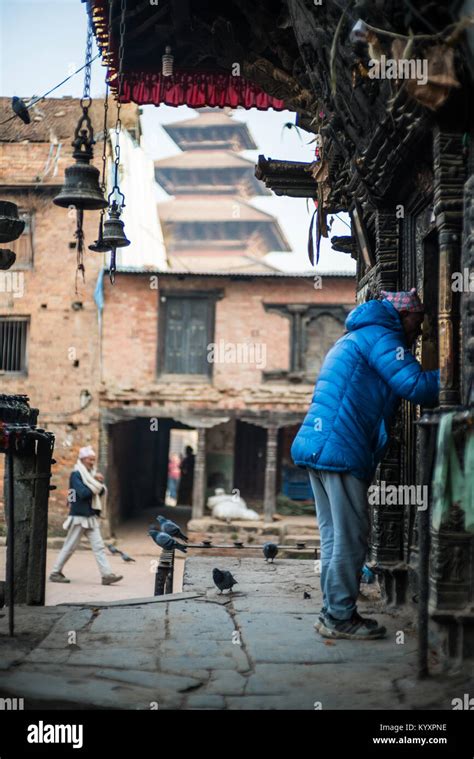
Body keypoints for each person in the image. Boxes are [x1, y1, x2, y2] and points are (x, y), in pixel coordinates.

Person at [291, 289, 439, 640]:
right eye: (418, 321)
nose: (420, 331)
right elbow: (416, 386)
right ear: (404, 315)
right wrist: (458, 374)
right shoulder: (381, 337)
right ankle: (339, 617)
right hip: (340, 449)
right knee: (352, 536)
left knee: (334, 536)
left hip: (320, 446)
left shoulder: (355, 336)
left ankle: (333, 612)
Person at [49, 446, 123, 586]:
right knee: (70, 546)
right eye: (90, 459)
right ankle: (55, 572)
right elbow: (83, 494)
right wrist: (95, 483)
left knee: (99, 546)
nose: (92, 462)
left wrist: (98, 483)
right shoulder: (76, 474)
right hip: (79, 516)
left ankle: (106, 575)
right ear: (83, 459)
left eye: (94, 459)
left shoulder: (91, 475)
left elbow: (100, 493)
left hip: (90, 516)